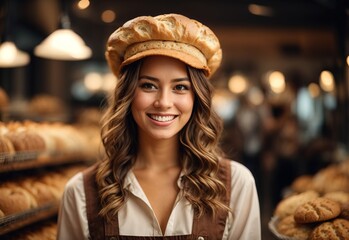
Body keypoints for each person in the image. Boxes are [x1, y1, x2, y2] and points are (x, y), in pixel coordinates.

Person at [57, 13, 261, 239]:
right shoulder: (81, 193)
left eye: (180, 87)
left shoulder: (237, 185)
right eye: (148, 85)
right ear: (128, 94)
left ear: (197, 98)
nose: (163, 102)